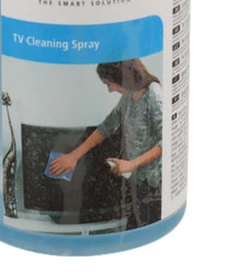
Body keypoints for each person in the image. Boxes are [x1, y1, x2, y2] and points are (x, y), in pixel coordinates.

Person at [48, 58, 163, 228]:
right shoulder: (128, 97)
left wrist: (132, 164)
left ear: (120, 76)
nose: (109, 90)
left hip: (156, 184)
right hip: (139, 182)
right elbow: (106, 127)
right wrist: (73, 157)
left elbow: (165, 140)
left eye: (109, 84)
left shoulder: (154, 93)